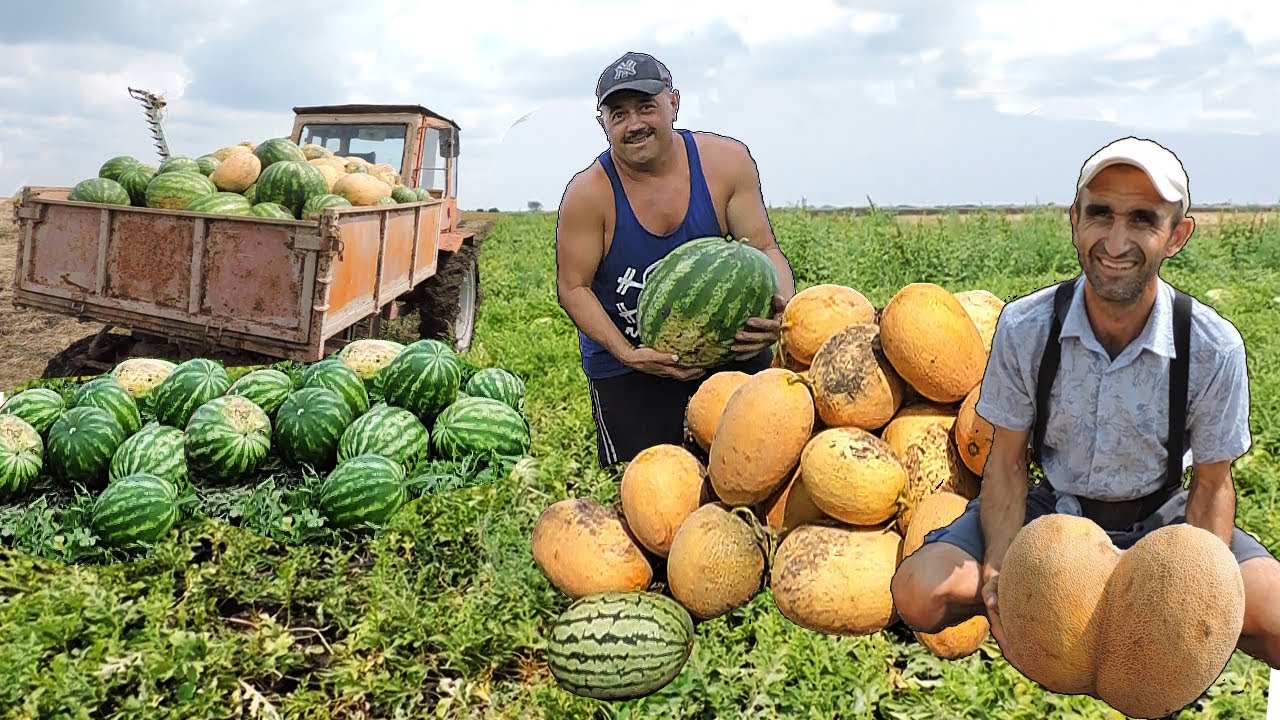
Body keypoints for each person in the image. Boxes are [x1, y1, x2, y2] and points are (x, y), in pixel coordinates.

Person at [890, 136, 1280, 674]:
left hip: (1159, 520)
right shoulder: (1027, 328)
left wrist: (1194, 593)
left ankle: (1110, 617)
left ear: (1176, 235)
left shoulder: (1211, 346)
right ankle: (1063, 622)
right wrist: (1002, 566)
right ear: (1075, 220)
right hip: (1048, 513)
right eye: (1101, 214)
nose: (1116, 241)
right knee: (920, 592)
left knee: (1277, 621)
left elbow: (1212, 486)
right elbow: (1004, 462)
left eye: (1143, 220)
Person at [555, 51, 796, 468]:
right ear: (602, 123)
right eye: (618, 114)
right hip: (628, 362)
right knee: (650, 491)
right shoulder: (588, 194)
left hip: (727, 350)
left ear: (674, 103)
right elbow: (572, 288)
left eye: (646, 107)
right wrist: (627, 354)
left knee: (755, 466)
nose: (634, 125)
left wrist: (783, 312)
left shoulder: (726, 163)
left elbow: (763, 248)